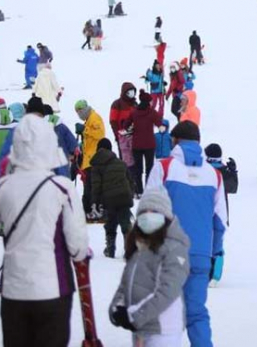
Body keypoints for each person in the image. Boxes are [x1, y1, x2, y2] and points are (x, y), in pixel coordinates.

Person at [0, 114, 88, 345]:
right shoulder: (62, 188)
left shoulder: (2, 187)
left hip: (14, 290)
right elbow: (78, 247)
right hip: (54, 288)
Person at [146, 121, 226, 347]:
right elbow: (220, 222)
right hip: (200, 255)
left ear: (175, 141)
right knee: (197, 314)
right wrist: (214, 254)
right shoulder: (214, 175)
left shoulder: (163, 168)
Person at [109, 186, 190, 346]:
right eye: (144, 213)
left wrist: (135, 316)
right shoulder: (139, 247)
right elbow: (126, 284)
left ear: (165, 217)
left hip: (163, 329)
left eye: (154, 213)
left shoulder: (174, 248)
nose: (148, 217)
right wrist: (117, 308)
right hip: (140, 327)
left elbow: (167, 290)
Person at [90, 138, 135, 257]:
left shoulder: (96, 164)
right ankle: (129, 249)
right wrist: (130, 194)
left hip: (109, 199)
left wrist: (95, 202)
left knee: (110, 223)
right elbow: (130, 181)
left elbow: (96, 186)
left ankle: (110, 249)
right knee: (125, 223)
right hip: (124, 197)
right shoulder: (120, 162)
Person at [131, 91, 160, 189]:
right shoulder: (152, 112)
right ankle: (148, 188)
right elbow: (159, 123)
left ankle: (139, 190)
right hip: (149, 144)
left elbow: (126, 124)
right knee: (149, 168)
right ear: (148, 102)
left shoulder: (134, 112)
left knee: (138, 169)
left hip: (136, 144)